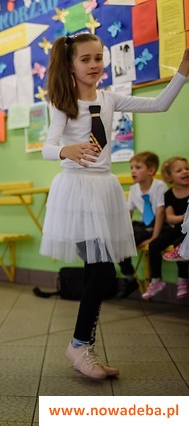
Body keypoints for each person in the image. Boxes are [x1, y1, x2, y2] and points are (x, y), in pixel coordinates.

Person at [41, 33, 189, 380]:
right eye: (85, 59)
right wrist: (65, 150)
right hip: (77, 192)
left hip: (105, 190)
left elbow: (159, 104)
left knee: (98, 272)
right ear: (71, 65)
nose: (94, 65)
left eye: (98, 58)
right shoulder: (62, 103)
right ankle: (80, 345)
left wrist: (182, 71)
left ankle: (83, 345)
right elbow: (48, 146)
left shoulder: (109, 98)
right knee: (103, 273)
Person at [117, 151, 167, 298]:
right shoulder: (134, 190)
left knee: (129, 240)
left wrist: (154, 238)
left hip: (159, 226)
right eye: (131, 168)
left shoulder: (159, 186)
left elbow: (161, 213)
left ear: (151, 171)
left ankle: (144, 280)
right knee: (119, 241)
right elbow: (128, 213)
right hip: (144, 226)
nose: (133, 171)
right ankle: (129, 278)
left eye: (138, 167)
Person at [141, 157, 189, 300]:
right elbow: (170, 218)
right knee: (154, 245)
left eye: (187, 168)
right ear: (169, 177)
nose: (185, 172)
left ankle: (183, 279)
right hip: (179, 227)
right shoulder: (169, 195)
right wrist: (184, 217)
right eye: (179, 170)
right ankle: (156, 280)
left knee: (179, 245)